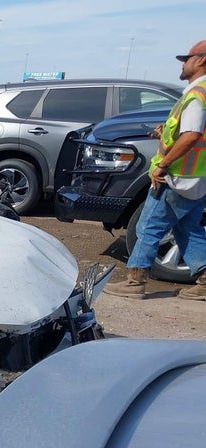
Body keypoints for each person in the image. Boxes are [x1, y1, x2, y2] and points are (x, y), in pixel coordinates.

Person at [104, 40, 206, 300]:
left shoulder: (197, 94)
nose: (183, 64)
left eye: (187, 58)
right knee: (187, 228)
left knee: (149, 226)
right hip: (198, 177)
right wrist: (166, 133)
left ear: (201, 60)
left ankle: (134, 282)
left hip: (177, 177)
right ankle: (204, 282)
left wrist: (162, 163)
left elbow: (192, 135)